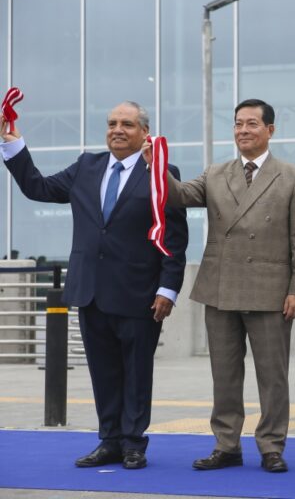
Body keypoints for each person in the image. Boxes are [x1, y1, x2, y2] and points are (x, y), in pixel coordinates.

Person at [0, 102, 188, 470]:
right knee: (104, 374)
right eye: (112, 123)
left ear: (144, 132)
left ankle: (134, 443)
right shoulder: (87, 166)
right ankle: (110, 441)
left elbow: (174, 236)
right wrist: (13, 144)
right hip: (91, 291)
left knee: (136, 373)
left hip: (140, 293)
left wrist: (168, 288)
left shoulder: (161, 171)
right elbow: (37, 187)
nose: (118, 129)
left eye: (127, 124)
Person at [143, 99, 295, 473]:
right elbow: (178, 195)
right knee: (224, 374)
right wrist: (154, 164)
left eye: (252, 124)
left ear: (270, 130)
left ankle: (271, 446)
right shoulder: (216, 173)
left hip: (271, 291)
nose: (242, 131)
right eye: (238, 124)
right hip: (220, 288)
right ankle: (226, 445)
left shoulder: (293, 176)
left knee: (273, 376)